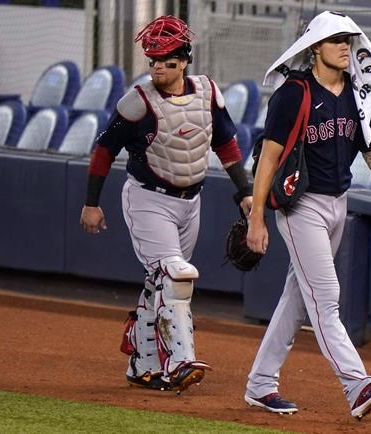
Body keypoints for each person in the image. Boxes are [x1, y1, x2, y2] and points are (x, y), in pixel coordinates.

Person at [244, 11, 371, 419]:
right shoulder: (293, 93)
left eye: (348, 39)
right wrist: (256, 217)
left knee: (297, 297)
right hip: (301, 207)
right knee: (325, 298)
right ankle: (357, 384)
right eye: (336, 40)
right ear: (315, 48)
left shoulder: (356, 92)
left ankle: (260, 384)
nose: (345, 45)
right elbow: (269, 158)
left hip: (338, 204)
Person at [80, 15, 253, 394]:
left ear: (184, 61)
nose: (158, 67)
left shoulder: (207, 93)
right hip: (147, 199)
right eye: (153, 61)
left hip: (191, 201)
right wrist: (92, 203)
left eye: (166, 61)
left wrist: (245, 191)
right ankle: (179, 361)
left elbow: (226, 143)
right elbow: (104, 151)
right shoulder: (137, 102)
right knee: (175, 276)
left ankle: (142, 364)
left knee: (160, 283)